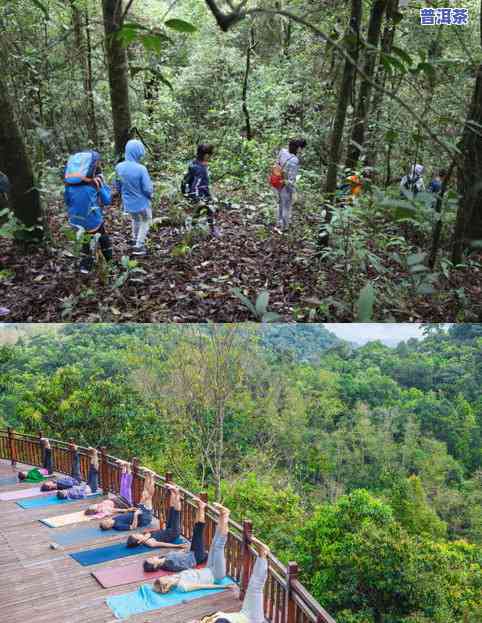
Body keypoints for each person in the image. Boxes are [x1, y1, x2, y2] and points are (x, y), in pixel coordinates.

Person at [148, 499, 233, 596]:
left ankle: (222, 515)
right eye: (164, 579)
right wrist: (224, 586)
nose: (166, 577)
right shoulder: (182, 586)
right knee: (218, 546)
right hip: (216, 575)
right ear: (167, 586)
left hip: (208, 568)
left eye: (163, 577)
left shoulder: (177, 576)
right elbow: (201, 586)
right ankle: (226, 515)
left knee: (214, 544)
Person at [188, 540, 270, 623]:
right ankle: (262, 555)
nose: (193, 621)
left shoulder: (204, 620)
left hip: (243, 614)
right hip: (252, 619)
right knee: (255, 586)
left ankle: (261, 554)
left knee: (253, 586)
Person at [64, 151, 113, 274]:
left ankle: (85, 267)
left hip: (75, 220)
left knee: (85, 242)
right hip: (92, 220)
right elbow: (107, 201)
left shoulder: (69, 186)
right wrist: (104, 186)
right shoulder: (95, 183)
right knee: (102, 237)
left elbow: (67, 201)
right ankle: (109, 261)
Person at [115, 139, 154, 257]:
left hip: (128, 202)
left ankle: (134, 238)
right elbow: (147, 188)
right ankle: (139, 246)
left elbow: (118, 185)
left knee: (136, 219)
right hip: (141, 202)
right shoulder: (141, 169)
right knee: (146, 220)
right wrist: (151, 196)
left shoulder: (119, 167)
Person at [125, 484, 188, 548]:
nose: (137, 533)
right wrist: (178, 546)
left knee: (171, 509)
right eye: (136, 535)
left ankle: (172, 491)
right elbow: (163, 544)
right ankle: (177, 493)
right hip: (173, 534)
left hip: (167, 530)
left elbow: (157, 534)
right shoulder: (149, 542)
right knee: (176, 513)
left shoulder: (145, 536)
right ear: (138, 541)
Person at [182, 144, 220, 238]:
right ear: (206, 155)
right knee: (210, 210)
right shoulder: (201, 169)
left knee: (198, 212)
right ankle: (212, 230)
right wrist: (198, 198)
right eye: (210, 155)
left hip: (198, 194)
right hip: (201, 195)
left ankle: (192, 229)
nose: (210, 157)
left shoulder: (194, 163)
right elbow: (196, 184)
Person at [275, 138, 306, 231]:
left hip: (278, 181)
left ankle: (278, 223)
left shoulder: (282, 151)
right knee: (286, 207)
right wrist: (293, 189)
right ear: (297, 148)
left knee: (280, 204)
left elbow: (277, 163)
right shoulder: (294, 160)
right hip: (286, 184)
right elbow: (291, 178)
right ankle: (284, 227)